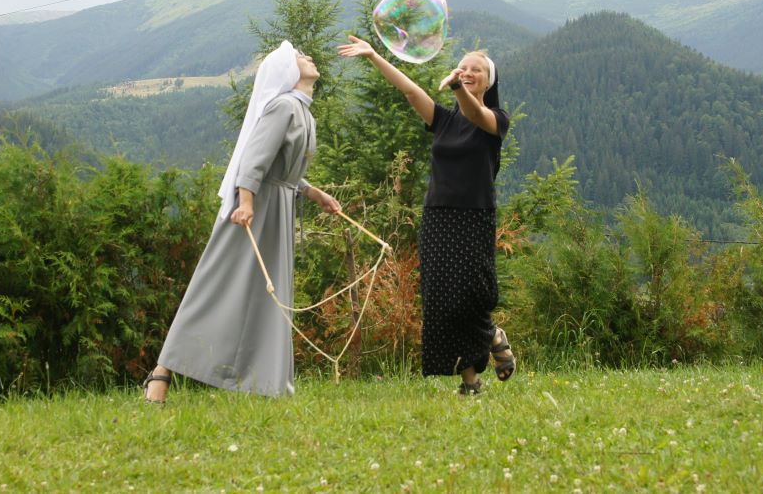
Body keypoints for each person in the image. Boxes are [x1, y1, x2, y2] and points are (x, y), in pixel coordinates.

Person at [143, 40, 341, 403]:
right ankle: (161, 373)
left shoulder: (303, 112)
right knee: (216, 286)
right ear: (287, 72)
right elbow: (253, 159)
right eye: (300, 57)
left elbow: (287, 172)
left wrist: (317, 195)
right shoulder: (283, 106)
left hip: (276, 206)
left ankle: (265, 382)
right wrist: (246, 203)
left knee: (267, 294)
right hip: (254, 208)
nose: (308, 58)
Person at [337, 35, 516, 394]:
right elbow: (409, 90)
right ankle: (471, 381)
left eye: (475, 70)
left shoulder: (496, 120)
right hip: (438, 217)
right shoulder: (444, 121)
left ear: (488, 80)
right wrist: (373, 55)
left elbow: (475, 113)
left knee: (471, 295)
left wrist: (455, 88)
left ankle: (492, 333)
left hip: (474, 217)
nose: (467, 72)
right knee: (442, 300)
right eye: (462, 67)